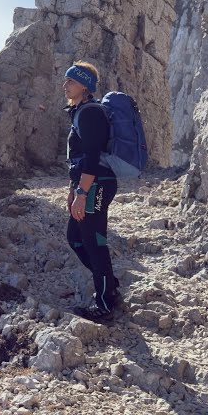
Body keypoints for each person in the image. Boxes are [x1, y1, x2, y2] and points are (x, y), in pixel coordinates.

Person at [63, 60, 119, 321]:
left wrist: (83, 193)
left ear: (84, 86)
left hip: (97, 184)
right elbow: (79, 157)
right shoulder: (79, 112)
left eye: (70, 81)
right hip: (87, 184)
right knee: (75, 237)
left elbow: (93, 156)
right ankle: (109, 283)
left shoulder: (90, 113)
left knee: (94, 242)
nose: (65, 85)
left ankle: (106, 304)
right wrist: (73, 190)